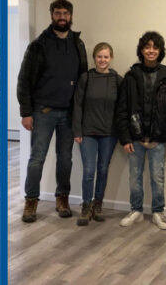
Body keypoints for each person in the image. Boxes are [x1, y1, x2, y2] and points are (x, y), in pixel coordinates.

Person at [17, 0, 87, 223]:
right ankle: (31, 201)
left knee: (65, 159)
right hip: (42, 112)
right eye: (58, 13)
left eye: (66, 13)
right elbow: (24, 80)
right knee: (37, 158)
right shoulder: (39, 45)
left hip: (68, 113)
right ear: (51, 16)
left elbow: (83, 79)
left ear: (71, 16)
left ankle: (62, 198)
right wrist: (26, 112)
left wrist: (81, 112)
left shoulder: (78, 44)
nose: (62, 17)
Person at [116, 31, 166, 230]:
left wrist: (160, 129)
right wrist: (126, 138)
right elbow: (122, 109)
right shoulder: (130, 76)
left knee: (157, 177)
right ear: (141, 50)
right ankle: (136, 210)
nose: (151, 51)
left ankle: (157, 213)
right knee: (134, 177)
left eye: (155, 47)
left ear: (160, 51)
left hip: (157, 140)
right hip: (134, 139)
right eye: (147, 47)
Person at [72, 42, 121, 226]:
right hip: (87, 133)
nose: (102, 60)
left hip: (109, 134)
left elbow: (122, 108)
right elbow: (77, 105)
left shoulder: (117, 79)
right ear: (94, 58)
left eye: (106, 56)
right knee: (89, 171)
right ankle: (86, 206)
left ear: (111, 58)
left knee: (103, 170)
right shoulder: (86, 78)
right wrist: (77, 130)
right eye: (99, 56)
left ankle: (98, 205)